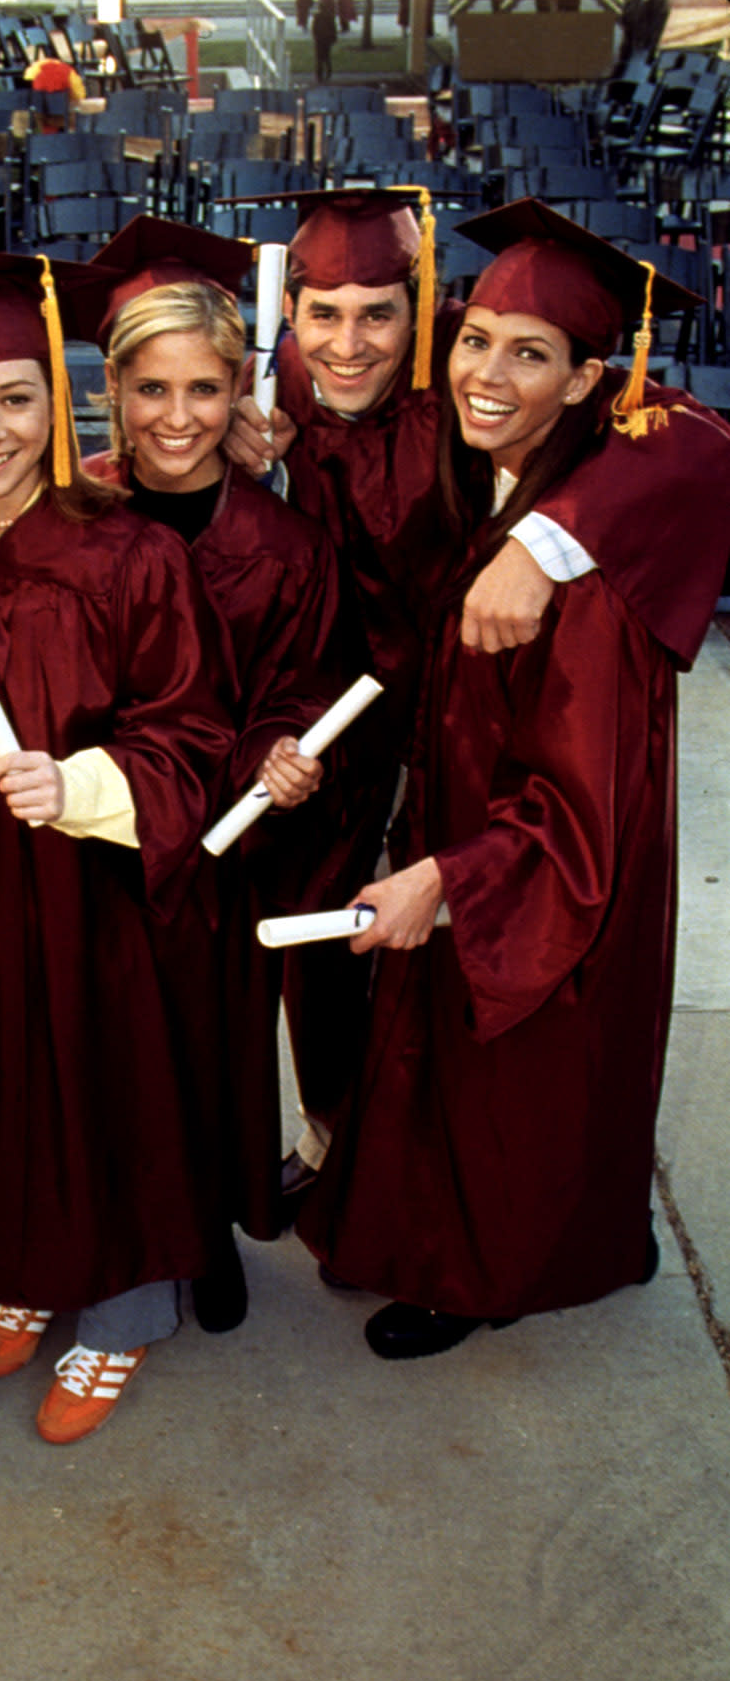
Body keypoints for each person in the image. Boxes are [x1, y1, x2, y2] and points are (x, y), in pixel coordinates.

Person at [225, 189, 730, 1216]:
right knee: (322, 948)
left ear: (425, 310)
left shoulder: (470, 360)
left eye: (380, 313)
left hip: (479, 709)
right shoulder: (281, 379)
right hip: (343, 716)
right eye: (323, 314)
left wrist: (546, 545)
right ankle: (334, 1138)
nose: (349, 344)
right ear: (293, 314)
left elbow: (689, 435)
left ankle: (438, 1169)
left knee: (453, 949)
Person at [0, 249, 235, 1443]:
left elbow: (197, 735)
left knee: (101, 1091)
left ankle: (122, 1316)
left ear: (57, 402)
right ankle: (30, 1267)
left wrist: (79, 782)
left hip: (91, 904)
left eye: (16, 397)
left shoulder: (127, 555)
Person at [74, 217, 346, 1323]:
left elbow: (303, 683)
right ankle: (112, 1241)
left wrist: (283, 753)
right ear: (112, 388)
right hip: (91, 845)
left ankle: (206, 1236)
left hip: (218, 853)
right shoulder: (69, 513)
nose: (177, 419)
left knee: (205, 1053)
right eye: (152, 390)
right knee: (99, 1056)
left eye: (204, 389)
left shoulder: (284, 546)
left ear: (241, 388)